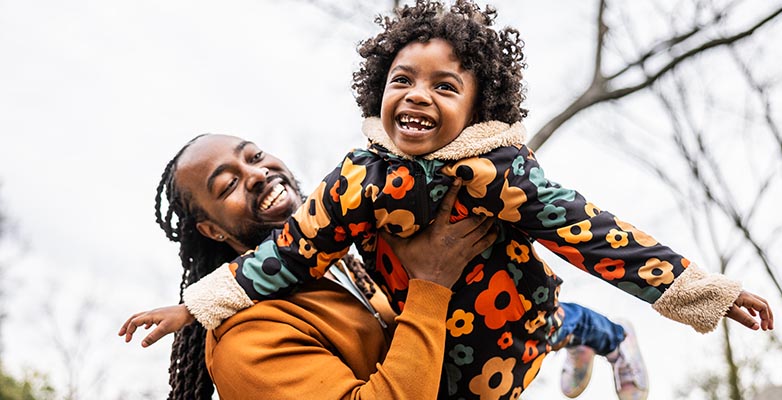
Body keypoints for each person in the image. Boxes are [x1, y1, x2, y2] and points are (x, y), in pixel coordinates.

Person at [126, 1, 773, 399]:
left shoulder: (502, 173)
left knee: (549, 320)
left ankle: (609, 338)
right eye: (402, 79)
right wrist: (196, 307)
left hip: (512, 319)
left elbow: (592, 233)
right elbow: (289, 255)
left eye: (444, 85)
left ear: (476, 105)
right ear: (377, 90)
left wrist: (701, 290)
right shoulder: (353, 183)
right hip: (442, 349)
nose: (417, 95)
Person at [120, 134, 500, 399]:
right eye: (228, 185)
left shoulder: (347, 268)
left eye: (253, 156)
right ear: (211, 230)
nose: (256, 175)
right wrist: (430, 287)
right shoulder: (245, 339)